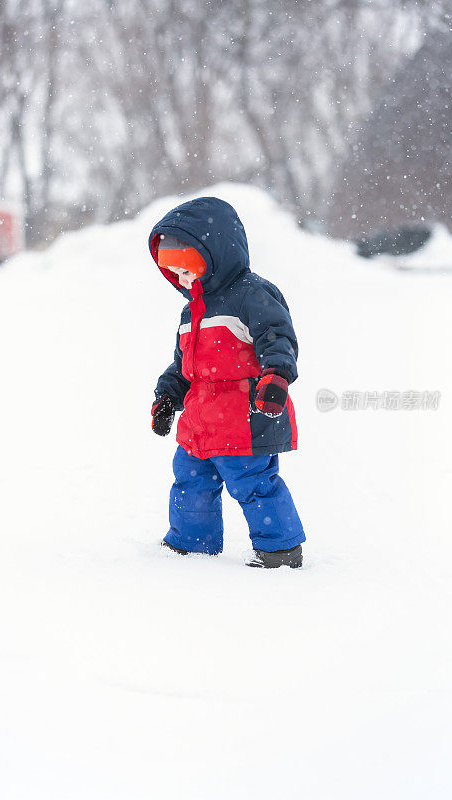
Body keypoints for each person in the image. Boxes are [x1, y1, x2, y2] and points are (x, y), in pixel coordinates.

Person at [148, 196, 306, 568]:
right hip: (199, 421)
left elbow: (278, 338)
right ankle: (192, 543)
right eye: (176, 273)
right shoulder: (191, 311)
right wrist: (167, 398)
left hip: (243, 417)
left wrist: (276, 377)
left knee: (252, 483)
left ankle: (280, 549)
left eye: (189, 270)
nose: (183, 280)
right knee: (190, 480)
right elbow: (183, 366)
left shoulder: (252, 294)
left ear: (215, 253)